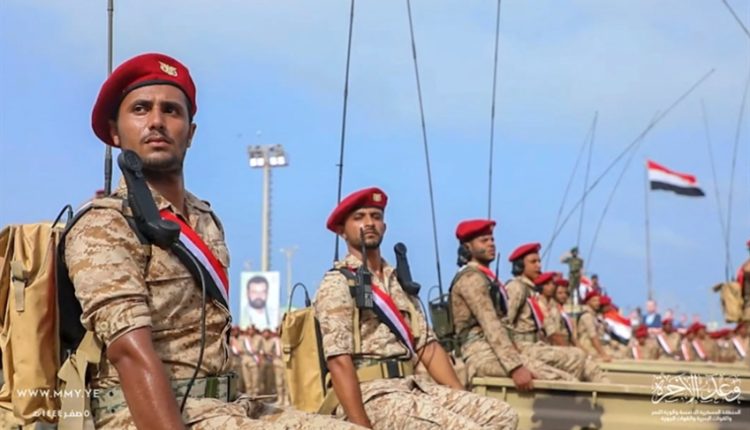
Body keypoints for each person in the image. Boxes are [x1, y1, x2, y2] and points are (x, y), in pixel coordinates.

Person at [65, 52, 360, 429]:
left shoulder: (205, 220)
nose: (156, 121)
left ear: (190, 133)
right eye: (140, 109)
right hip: (142, 413)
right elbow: (129, 353)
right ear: (115, 132)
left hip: (225, 406)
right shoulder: (105, 223)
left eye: (171, 111)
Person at [315, 192, 518, 430]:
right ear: (342, 230)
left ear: (384, 226)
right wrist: (360, 425)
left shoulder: (397, 281)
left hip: (411, 385)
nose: (369, 223)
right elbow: (339, 361)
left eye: (376, 216)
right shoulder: (338, 283)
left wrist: (462, 397)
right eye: (359, 217)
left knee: (501, 415)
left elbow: (427, 346)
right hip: (371, 394)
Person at [450, 221, 575, 391]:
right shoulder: (471, 279)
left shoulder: (484, 277)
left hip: (496, 353)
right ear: (467, 247)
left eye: (492, 239)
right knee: (558, 380)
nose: (491, 244)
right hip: (481, 356)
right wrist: (515, 367)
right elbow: (490, 324)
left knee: (568, 377)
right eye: (484, 240)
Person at [504, 243, 603, 381]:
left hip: (535, 345)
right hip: (523, 347)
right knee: (576, 360)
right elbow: (504, 323)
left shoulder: (530, 291)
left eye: (539, 261)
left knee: (581, 358)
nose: (539, 265)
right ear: (520, 265)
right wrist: (513, 355)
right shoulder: (516, 287)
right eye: (533, 262)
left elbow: (547, 328)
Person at [577, 291, 612, 362]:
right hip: (588, 347)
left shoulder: (594, 316)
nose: (597, 303)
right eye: (594, 301)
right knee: (615, 355)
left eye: (598, 301)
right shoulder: (587, 316)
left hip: (595, 345)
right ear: (588, 302)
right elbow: (593, 337)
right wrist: (603, 354)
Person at [553, 280, 578, 347]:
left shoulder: (563, 310)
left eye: (566, 293)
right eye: (560, 293)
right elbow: (555, 335)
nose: (564, 296)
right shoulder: (554, 310)